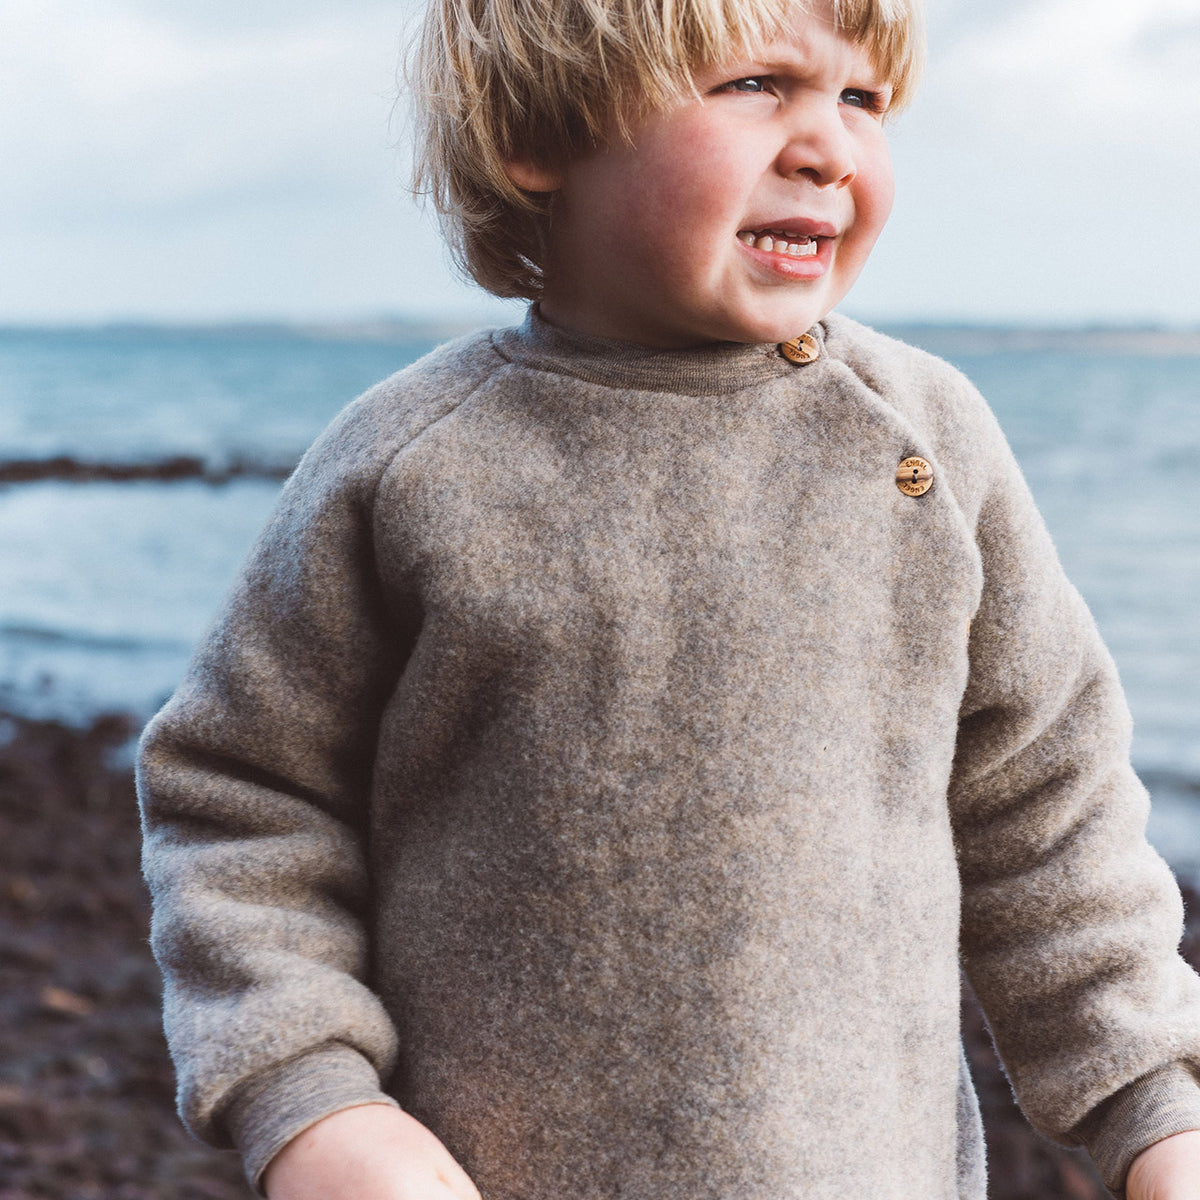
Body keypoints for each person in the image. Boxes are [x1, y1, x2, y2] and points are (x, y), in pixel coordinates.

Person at [136, 0, 1200, 1196]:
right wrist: (313, 1103)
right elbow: (243, 797)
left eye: (862, 100)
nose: (829, 149)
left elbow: (1047, 810)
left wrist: (1155, 1106)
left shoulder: (925, 437)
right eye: (756, 85)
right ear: (538, 136)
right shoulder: (412, 464)